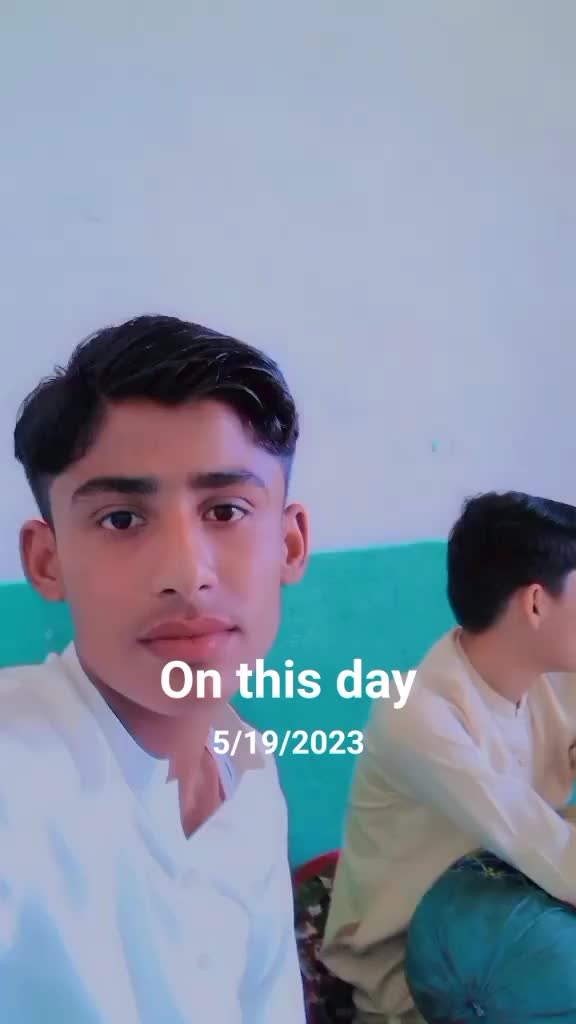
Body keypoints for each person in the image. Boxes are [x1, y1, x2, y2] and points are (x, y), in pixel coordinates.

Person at [1, 314, 310, 1022]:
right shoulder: (17, 774)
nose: (186, 573)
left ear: (290, 545)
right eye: (121, 519)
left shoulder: (249, 770)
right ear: (47, 562)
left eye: (226, 510)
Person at [321, 491, 576, 1024]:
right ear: (535, 603)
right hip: (416, 978)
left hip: (517, 917)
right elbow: (542, 843)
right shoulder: (416, 713)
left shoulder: (554, 677)